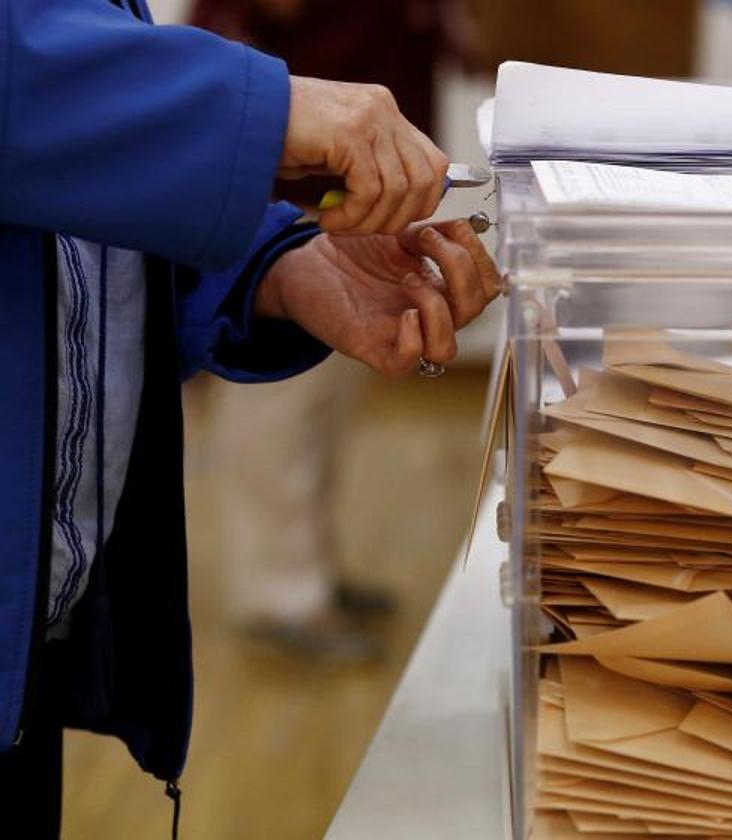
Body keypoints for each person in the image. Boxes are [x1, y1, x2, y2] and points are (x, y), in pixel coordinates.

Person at [0, 0, 501, 837]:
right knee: (278, 442)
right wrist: (261, 110)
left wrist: (279, 268)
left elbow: (74, 215)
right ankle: (285, 594)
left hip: (32, 650)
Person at [191, 0, 471, 658]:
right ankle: (279, 594)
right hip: (283, 206)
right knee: (275, 418)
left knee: (321, 411)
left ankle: (309, 572)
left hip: (348, 206)